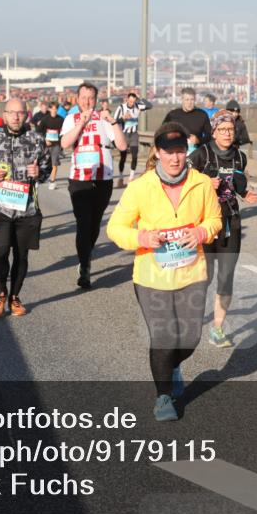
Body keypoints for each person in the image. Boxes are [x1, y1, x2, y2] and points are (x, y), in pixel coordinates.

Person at [107, 122, 222, 421]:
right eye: (169, 152)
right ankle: (163, 396)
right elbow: (115, 228)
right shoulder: (140, 187)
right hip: (151, 277)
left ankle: (172, 366)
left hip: (191, 274)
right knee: (164, 339)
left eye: (180, 151)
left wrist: (201, 232)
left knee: (190, 339)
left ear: (187, 151)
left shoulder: (200, 183)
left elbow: (215, 219)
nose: (175, 158)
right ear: (157, 153)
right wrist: (142, 238)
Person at [188, 110, 257, 348]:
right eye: (222, 129)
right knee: (203, 277)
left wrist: (246, 194)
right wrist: (203, 182)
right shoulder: (201, 155)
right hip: (204, 224)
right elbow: (181, 181)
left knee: (226, 277)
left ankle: (217, 328)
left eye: (230, 129)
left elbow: (238, 184)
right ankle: (192, 316)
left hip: (230, 223)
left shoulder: (239, 157)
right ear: (214, 131)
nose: (228, 133)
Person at [0, 99, 52, 318]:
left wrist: (39, 173)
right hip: (0, 208)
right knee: (1, 252)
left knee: (21, 255)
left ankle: (15, 296)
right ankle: (1, 292)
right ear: (5, 114)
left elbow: (47, 169)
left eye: (20, 113)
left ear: (27, 115)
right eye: (12, 112)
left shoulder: (36, 139)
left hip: (26, 210)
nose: (16, 117)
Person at [59, 81, 127, 289]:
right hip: (79, 179)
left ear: (96, 100)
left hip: (103, 178)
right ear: (77, 99)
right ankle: (85, 265)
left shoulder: (104, 119)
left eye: (91, 98)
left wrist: (113, 122)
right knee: (83, 222)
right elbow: (65, 144)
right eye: (83, 98)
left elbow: (122, 145)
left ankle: (86, 255)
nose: (87, 102)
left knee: (95, 223)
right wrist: (81, 123)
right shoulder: (71, 119)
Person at [113, 92, 152, 188]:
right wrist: (123, 118)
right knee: (123, 157)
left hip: (134, 134)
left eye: (133, 102)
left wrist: (140, 99)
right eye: (130, 101)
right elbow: (114, 121)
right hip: (124, 135)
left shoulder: (137, 106)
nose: (131, 103)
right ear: (127, 99)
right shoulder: (121, 108)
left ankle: (131, 177)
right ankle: (121, 177)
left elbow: (150, 106)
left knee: (134, 156)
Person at [163, 88, 211, 154]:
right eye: (187, 100)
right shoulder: (172, 114)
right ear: (182, 100)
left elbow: (209, 135)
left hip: (195, 153)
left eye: (192, 99)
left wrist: (198, 140)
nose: (189, 103)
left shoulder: (202, 115)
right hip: (175, 152)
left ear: (195, 100)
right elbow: (162, 132)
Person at [35, 100, 65, 190]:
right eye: (53, 109)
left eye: (56, 109)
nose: (54, 111)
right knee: (41, 163)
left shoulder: (61, 119)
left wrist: (62, 143)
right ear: (50, 109)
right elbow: (38, 132)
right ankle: (37, 180)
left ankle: (52, 181)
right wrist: (45, 139)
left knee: (54, 164)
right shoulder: (45, 119)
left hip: (56, 145)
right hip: (45, 145)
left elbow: (64, 132)